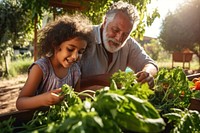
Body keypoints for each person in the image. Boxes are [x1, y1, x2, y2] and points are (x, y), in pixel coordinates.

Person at [16, 14, 93, 111]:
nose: (75, 56)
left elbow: (76, 98)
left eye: (80, 52)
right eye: (70, 49)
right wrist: (43, 100)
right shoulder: (41, 68)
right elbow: (20, 103)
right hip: (38, 121)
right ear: (55, 45)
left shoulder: (75, 71)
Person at [79, 1, 158, 90]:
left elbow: (151, 64)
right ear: (105, 22)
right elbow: (65, 83)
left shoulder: (129, 44)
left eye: (125, 34)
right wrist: (97, 79)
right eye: (115, 30)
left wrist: (147, 73)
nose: (119, 38)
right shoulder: (83, 37)